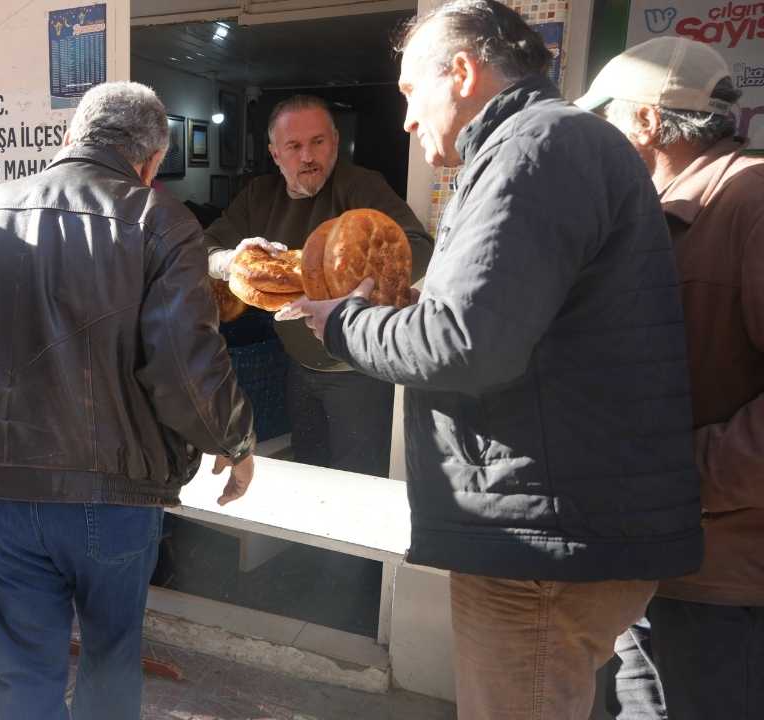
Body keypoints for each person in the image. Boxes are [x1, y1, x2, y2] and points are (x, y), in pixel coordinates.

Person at [284, 2, 703, 717]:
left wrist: (345, 324)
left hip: (542, 541)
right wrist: (413, 305)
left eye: (412, 96)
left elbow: (463, 344)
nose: (409, 123)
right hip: (565, 519)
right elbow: (514, 320)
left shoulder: (529, 152)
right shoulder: (560, 144)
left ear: (463, 70)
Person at [0, 81, 256, 719]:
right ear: (152, 161)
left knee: (21, 680)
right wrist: (235, 442)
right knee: (109, 663)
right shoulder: (160, 220)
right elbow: (186, 369)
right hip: (113, 498)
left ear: (69, 138)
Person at [579, 36, 764, 719]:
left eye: (603, 122)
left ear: (648, 122)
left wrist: (684, 474)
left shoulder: (749, 201)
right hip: (649, 563)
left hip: (723, 579)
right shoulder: (658, 213)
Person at [205, 94, 431, 475]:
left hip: (358, 373)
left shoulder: (360, 187)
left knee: (357, 483)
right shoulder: (259, 196)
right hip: (298, 364)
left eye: (318, 142)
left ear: (336, 143)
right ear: (275, 154)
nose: (307, 156)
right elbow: (204, 248)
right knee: (309, 473)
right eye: (294, 146)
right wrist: (232, 261)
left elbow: (419, 246)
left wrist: (340, 284)